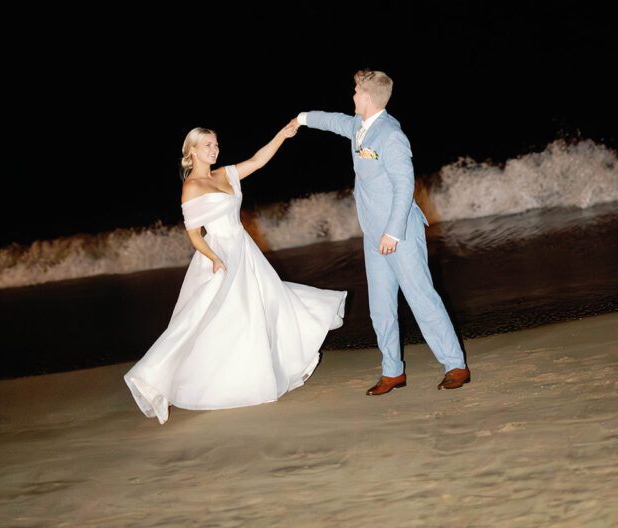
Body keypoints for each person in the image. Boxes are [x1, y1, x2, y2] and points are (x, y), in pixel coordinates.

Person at [124, 123, 346, 423]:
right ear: (192, 150)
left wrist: (281, 135)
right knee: (203, 320)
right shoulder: (191, 186)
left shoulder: (224, 173)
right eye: (207, 146)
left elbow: (256, 161)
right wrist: (214, 257)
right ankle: (156, 377)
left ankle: (257, 372)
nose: (214, 150)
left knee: (264, 305)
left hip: (243, 249)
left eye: (215, 144)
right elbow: (194, 234)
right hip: (218, 256)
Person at [295, 70, 469, 395]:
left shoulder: (390, 135)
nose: (352, 95)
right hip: (373, 235)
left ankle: (455, 365)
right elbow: (334, 121)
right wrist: (302, 119)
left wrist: (392, 231)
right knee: (380, 306)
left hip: (398, 232)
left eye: (356, 90)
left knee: (421, 298)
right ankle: (392, 371)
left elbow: (406, 186)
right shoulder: (359, 128)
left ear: (367, 97)